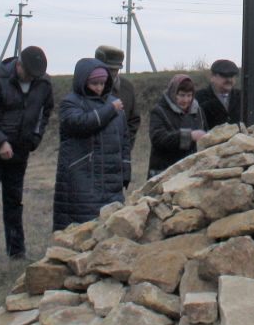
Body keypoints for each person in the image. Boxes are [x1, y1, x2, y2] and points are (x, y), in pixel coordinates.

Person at [0, 45, 55, 261]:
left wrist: (35, 138)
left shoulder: (43, 84)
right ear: (18, 65)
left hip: (20, 151)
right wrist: (0, 142)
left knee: (14, 201)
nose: (30, 79)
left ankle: (16, 250)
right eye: (27, 74)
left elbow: (44, 114)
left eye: (35, 76)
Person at [54, 57, 129, 228]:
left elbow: (124, 138)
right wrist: (110, 110)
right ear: (83, 81)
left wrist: (126, 169)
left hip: (111, 179)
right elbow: (81, 124)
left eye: (102, 83)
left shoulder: (114, 104)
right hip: (81, 176)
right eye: (94, 83)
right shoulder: (70, 103)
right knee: (81, 226)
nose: (99, 88)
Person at [94, 45, 141, 183]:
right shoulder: (87, 87)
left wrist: (125, 145)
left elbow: (134, 119)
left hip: (118, 156)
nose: (113, 73)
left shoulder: (127, 88)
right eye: (109, 69)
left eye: (116, 69)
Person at [147, 73, 209, 176]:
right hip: (163, 172)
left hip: (191, 171)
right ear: (173, 93)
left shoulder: (198, 111)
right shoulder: (159, 111)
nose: (186, 100)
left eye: (189, 95)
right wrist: (189, 136)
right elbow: (158, 139)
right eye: (181, 95)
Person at [197, 59, 243, 128]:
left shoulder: (242, 97)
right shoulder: (199, 97)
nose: (229, 80)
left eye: (232, 76)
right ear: (212, 77)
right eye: (224, 76)